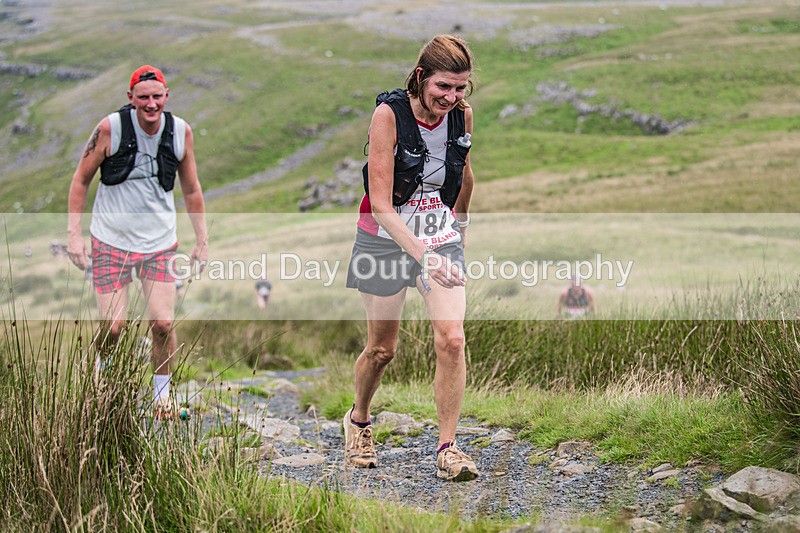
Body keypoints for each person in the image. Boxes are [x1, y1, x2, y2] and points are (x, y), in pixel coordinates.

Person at [344, 35, 478, 481]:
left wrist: (458, 228)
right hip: (384, 238)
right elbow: (380, 202)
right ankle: (359, 420)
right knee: (382, 350)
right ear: (420, 77)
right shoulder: (389, 116)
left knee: (452, 339)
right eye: (443, 86)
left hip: (439, 238)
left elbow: (465, 175)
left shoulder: (461, 116)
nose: (451, 98)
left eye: (461, 88)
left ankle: (448, 447)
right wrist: (423, 256)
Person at [67, 65, 208, 420]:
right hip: (110, 241)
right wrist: (74, 236)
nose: (150, 104)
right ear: (130, 99)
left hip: (159, 243)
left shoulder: (180, 132)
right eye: (143, 97)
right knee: (113, 326)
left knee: (162, 324)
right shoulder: (109, 129)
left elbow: (191, 189)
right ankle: (100, 376)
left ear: (167, 96)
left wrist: (202, 240)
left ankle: (162, 398)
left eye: (157, 96)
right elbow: (81, 180)